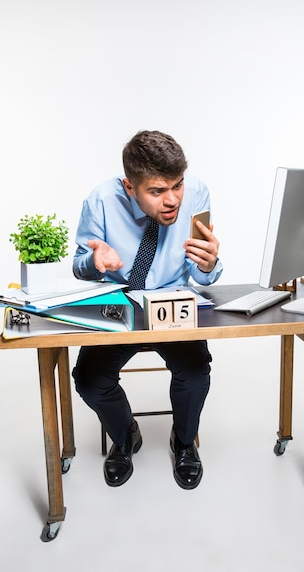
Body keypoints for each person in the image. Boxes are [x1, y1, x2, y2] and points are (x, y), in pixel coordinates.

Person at [72, 130, 222, 489]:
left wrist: (208, 263)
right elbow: (79, 265)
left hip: (172, 302)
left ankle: (184, 442)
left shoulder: (197, 192)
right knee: (90, 381)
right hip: (119, 304)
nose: (172, 200)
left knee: (196, 372)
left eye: (177, 185)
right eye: (157, 191)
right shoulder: (101, 201)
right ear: (130, 186)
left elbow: (203, 272)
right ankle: (126, 434)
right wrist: (94, 261)